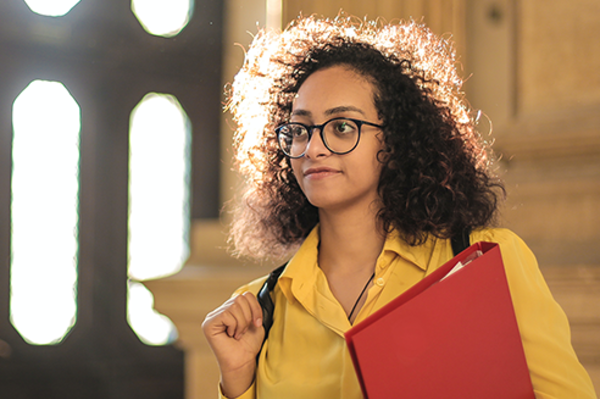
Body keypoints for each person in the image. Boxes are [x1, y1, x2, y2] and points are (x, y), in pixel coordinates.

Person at [202, 15, 597, 399]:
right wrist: (238, 383)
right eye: (300, 130)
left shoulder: (484, 262)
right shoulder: (260, 310)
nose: (314, 148)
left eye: (342, 127)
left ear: (392, 142)